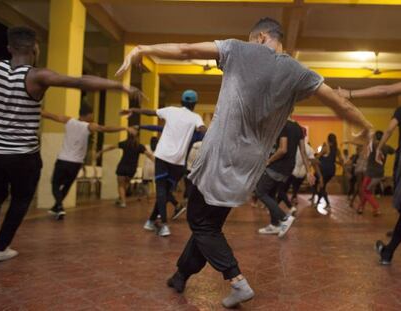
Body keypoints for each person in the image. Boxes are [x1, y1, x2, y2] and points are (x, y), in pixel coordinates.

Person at [116, 17, 373, 307]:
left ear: (261, 37)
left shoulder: (238, 49)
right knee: (209, 223)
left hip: (218, 158)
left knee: (200, 222)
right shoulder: (298, 72)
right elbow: (340, 103)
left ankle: (236, 280)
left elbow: (186, 50)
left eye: (253, 39)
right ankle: (181, 275)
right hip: (248, 168)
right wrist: (365, 126)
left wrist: (143, 48)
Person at [0, 26, 143, 269]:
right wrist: (122, 87)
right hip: (23, 157)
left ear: (9, 48)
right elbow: (80, 81)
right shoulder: (38, 76)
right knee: (20, 199)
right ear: (35, 48)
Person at [121, 90, 206, 237]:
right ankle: (157, 222)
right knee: (165, 192)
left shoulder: (170, 110)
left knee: (162, 191)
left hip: (162, 156)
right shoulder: (196, 117)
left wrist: (133, 110)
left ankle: (158, 222)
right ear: (195, 104)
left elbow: (150, 112)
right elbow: (202, 130)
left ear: (181, 102)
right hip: (178, 162)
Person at [338, 84, 401, 265]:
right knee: (365, 190)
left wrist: (349, 92)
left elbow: (386, 91)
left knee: (366, 190)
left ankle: (387, 251)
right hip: (375, 172)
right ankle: (387, 251)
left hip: (377, 172)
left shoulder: (398, 113)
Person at [42, 104, 137, 218]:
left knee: (55, 184)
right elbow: (104, 129)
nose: (93, 118)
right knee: (67, 185)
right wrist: (124, 128)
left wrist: (33, 108)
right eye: (92, 115)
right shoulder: (88, 126)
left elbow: (51, 116)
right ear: (87, 115)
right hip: (76, 162)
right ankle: (57, 207)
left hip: (63, 159)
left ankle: (59, 207)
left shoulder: (69, 120)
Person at [256, 118, 314, 237]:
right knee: (271, 195)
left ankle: (284, 218)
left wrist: (268, 161)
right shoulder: (298, 127)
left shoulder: (281, 124)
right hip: (288, 169)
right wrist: (309, 172)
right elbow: (303, 151)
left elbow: (282, 149)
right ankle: (274, 225)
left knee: (260, 192)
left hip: (276, 167)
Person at [97, 130, 154, 208]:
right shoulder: (140, 146)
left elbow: (112, 147)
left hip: (122, 166)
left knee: (120, 185)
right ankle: (120, 198)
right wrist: (157, 162)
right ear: (138, 137)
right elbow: (149, 155)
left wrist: (101, 151)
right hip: (132, 168)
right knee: (125, 184)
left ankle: (123, 202)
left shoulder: (124, 143)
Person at [358, 131, 394, 216]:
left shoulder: (373, 145)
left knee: (365, 191)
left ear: (375, 137)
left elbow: (363, 143)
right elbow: (394, 151)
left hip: (370, 173)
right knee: (367, 190)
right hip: (380, 173)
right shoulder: (386, 147)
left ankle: (376, 208)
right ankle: (361, 208)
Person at [314, 133, 344, 209]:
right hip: (332, 170)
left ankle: (327, 204)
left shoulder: (326, 148)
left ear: (328, 139)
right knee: (322, 186)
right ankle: (318, 202)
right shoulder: (337, 149)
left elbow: (317, 157)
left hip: (324, 170)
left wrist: (319, 161)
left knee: (322, 186)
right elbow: (341, 161)